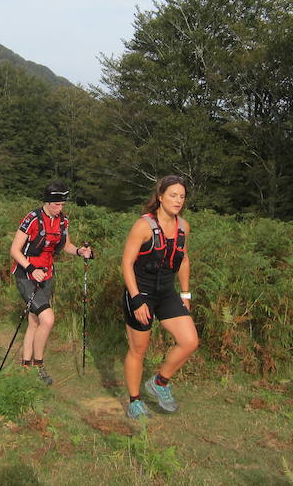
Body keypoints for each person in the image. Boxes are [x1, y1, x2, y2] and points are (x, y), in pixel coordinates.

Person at [122, 175, 199, 419]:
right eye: (173, 195)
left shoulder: (183, 227)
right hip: (140, 292)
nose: (178, 200)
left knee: (189, 341)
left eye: (182, 196)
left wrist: (185, 293)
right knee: (138, 349)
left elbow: (183, 259)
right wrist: (136, 299)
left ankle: (160, 382)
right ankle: (134, 401)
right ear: (160, 196)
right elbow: (126, 263)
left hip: (166, 292)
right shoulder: (143, 226)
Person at [9, 181, 93, 385]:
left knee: (34, 321)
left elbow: (65, 245)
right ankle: (39, 365)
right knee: (47, 319)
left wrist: (80, 251)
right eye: (56, 204)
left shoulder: (63, 221)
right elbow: (14, 250)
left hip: (47, 274)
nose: (60, 208)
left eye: (62, 204)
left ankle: (25, 365)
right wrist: (31, 269)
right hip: (26, 275)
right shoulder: (32, 219)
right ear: (47, 202)